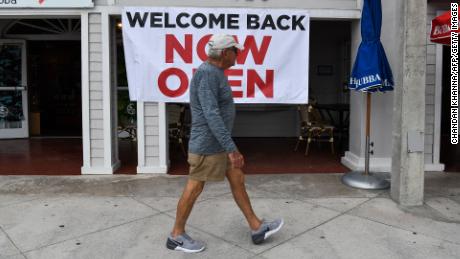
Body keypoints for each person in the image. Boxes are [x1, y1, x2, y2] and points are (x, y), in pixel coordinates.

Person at [166, 34, 284, 253]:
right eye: (235, 51)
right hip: (206, 147)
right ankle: (176, 236)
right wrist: (232, 149)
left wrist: (228, 146)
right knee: (194, 188)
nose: (238, 54)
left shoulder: (216, 73)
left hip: (218, 143)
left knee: (237, 178)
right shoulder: (207, 74)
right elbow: (211, 115)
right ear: (224, 53)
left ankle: (256, 227)